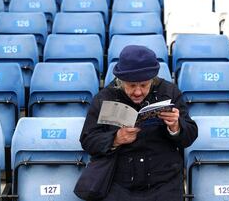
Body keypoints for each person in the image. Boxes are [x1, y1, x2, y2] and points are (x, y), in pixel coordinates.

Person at [80, 45, 198, 201]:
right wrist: (115, 139)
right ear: (121, 81)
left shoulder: (170, 92)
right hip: (119, 185)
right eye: (131, 85)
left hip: (164, 183)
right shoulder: (104, 97)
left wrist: (176, 127)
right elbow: (88, 140)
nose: (138, 92)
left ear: (152, 80)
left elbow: (190, 135)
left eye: (143, 85)